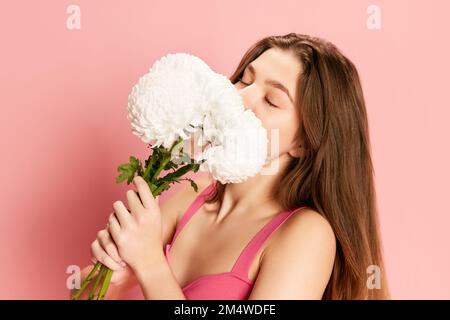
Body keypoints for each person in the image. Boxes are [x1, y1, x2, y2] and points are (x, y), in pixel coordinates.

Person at [73, 33, 390, 300]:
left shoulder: (307, 234)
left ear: (303, 142)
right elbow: (86, 293)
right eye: (244, 80)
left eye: (271, 100)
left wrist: (150, 264)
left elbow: (148, 264)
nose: (243, 98)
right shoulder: (193, 199)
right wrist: (111, 269)